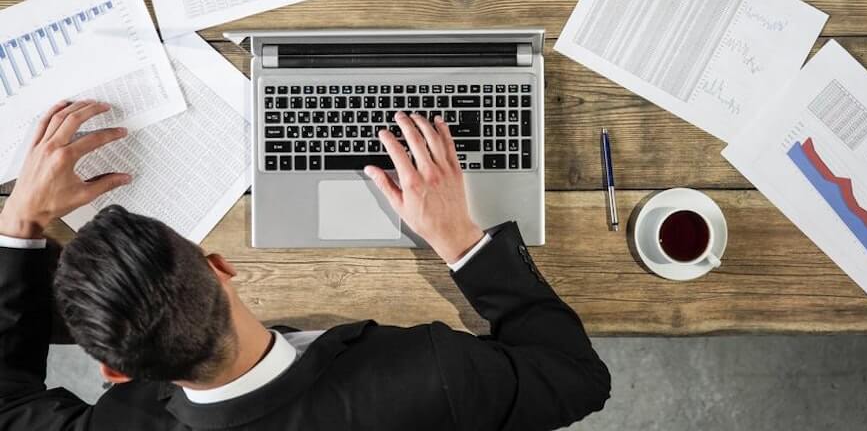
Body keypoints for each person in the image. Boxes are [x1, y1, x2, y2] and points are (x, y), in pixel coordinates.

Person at [0, 100, 610, 430]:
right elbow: (576, 377)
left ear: (114, 370)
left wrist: (18, 226)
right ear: (220, 266)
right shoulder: (428, 376)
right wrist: (462, 242)